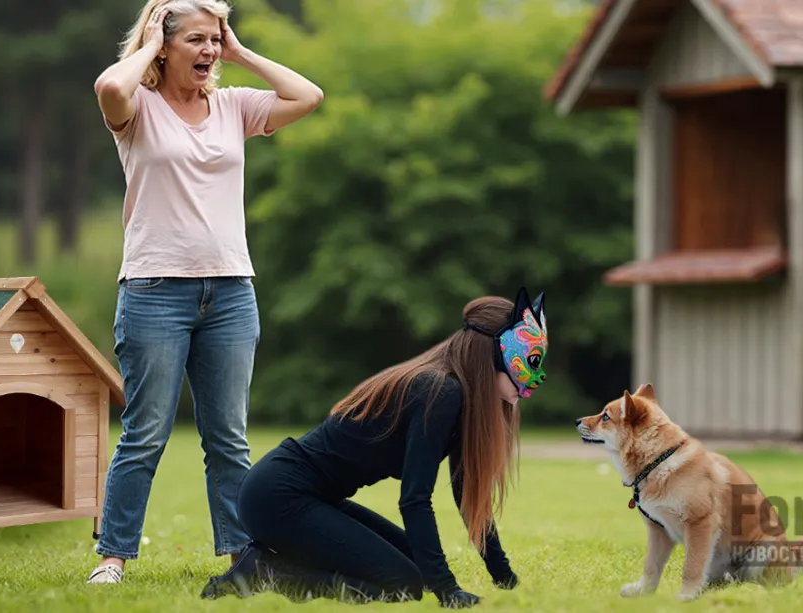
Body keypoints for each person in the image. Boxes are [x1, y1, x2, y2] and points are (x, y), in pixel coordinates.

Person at [86, 0, 324, 585]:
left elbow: (308, 96)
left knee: (229, 440)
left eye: (215, 40)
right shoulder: (135, 108)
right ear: (163, 45)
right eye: (197, 39)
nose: (210, 51)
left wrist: (239, 50)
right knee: (144, 435)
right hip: (154, 290)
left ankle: (242, 557)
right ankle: (113, 558)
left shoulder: (233, 106)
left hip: (231, 292)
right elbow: (108, 82)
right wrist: (152, 38)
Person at [200, 288, 549, 607]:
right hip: (277, 495)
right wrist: (447, 591)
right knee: (402, 583)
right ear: (494, 351)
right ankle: (262, 571)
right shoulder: (439, 392)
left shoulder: (461, 401)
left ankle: (273, 558)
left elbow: (466, 495)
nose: (536, 377)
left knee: (416, 563)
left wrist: (503, 577)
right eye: (530, 362)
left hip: (312, 497)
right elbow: (414, 499)